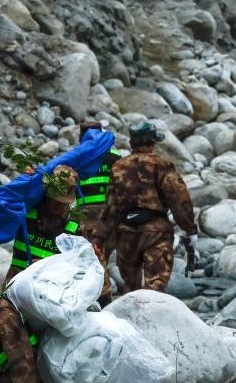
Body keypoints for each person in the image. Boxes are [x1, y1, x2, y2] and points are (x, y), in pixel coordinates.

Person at [104, 122, 198, 293]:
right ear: (153, 143)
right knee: (156, 287)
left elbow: (110, 207)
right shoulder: (163, 165)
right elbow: (180, 199)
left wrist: (106, 242)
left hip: (126, 233)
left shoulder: (118, 167)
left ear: (131, 143)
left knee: (130, 289)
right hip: (157, 233)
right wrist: (190, 230)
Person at [2, 164, 79, 289]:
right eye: (56, 200)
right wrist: (27, 180)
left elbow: (79, 266)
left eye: (64, 202)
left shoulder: (75, 225)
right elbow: (3, 202)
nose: (59, 206)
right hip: (16, 282)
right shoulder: (26, 210)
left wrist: (47, 266)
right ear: (46, 193)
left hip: (51, 288)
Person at [72, 120, 123, 306]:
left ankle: (103, 300)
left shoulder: (78, 154)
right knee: (103, 257)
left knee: (94, 259)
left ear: (81, 135)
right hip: (113, 213)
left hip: (88, 215)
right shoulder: (116, 155)